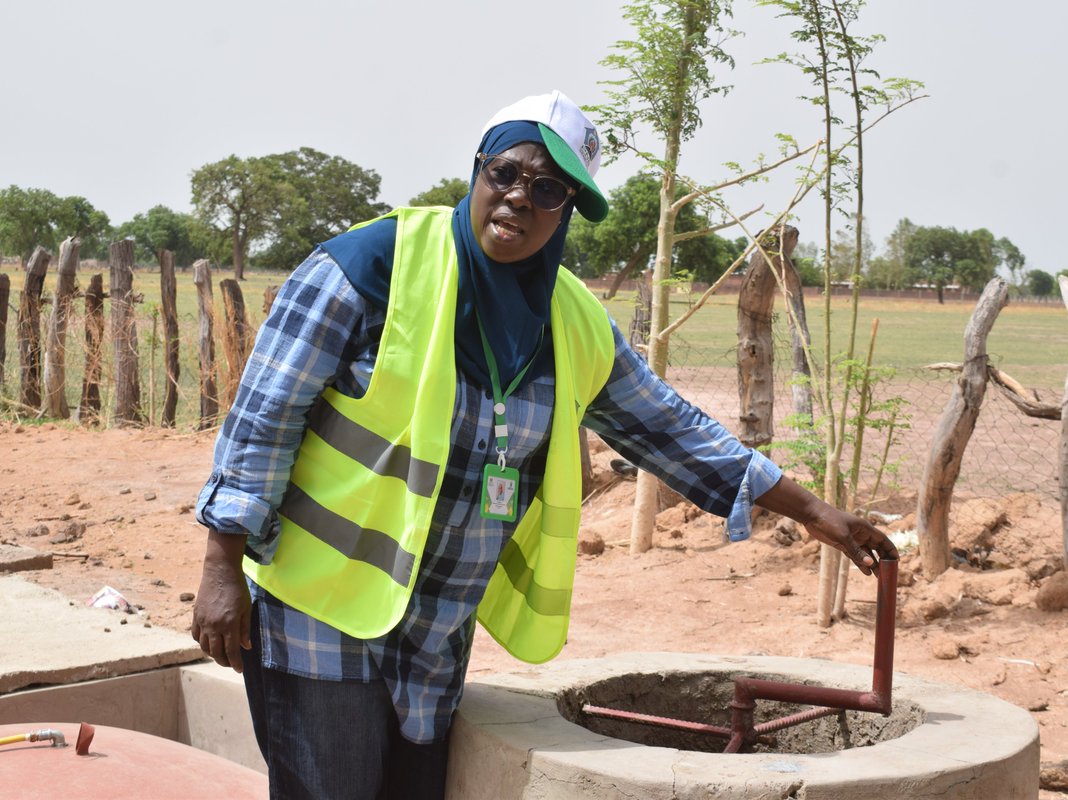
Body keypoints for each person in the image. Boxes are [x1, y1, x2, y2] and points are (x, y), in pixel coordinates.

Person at [191, 89, 898, 800]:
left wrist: (810, 511)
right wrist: (223, 562)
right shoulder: (371, 266)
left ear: (567, 211)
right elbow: (264, 417)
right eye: (505, 173)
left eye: (548, 188)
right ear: (476, 171)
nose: (520, 198)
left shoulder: (572, 320)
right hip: (320, 607)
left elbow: (670, 428)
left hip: (436, 628)